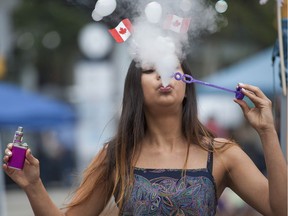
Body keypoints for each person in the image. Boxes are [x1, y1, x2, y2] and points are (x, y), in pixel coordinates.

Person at [2, 59, 287, 216]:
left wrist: (267, 132)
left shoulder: (223, 153)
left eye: (171, 69)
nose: (162, 76)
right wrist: (34, 185)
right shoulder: (117, 155)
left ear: (188, 85)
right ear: (135, 86)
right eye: (151, 69)